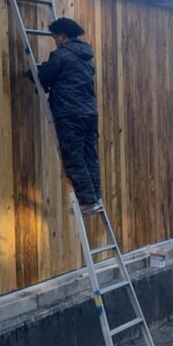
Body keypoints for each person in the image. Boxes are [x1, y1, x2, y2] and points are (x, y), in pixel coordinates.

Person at [30, 17, 103, 214]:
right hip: (90, 113)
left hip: (70, 114)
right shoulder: (86, 57)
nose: (55, 41)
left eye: (55, 37)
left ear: (62, 36)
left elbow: (44, 77)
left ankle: (88, 201)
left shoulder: (61, 55)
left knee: (74, 158)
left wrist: (32, 73)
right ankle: (96, 197)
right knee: (90, 157)